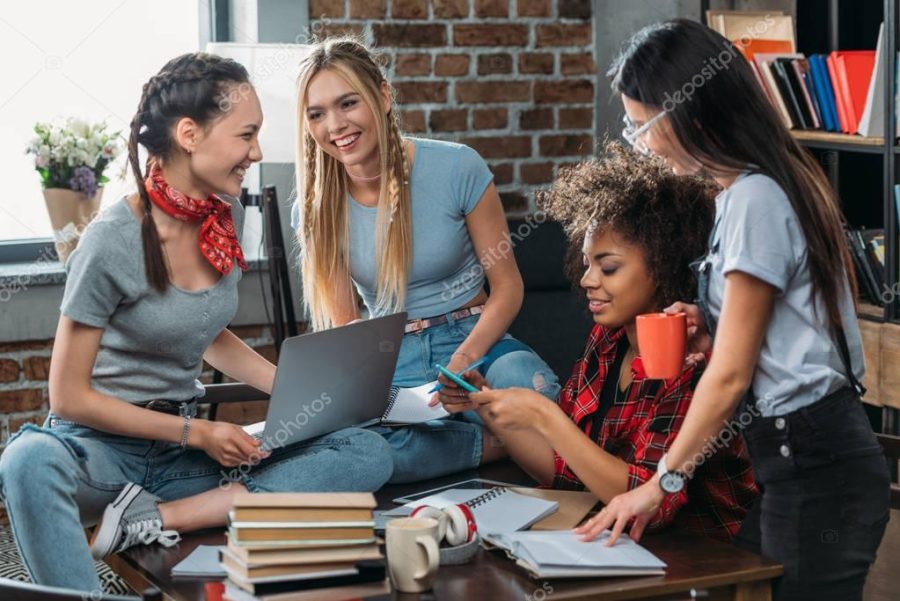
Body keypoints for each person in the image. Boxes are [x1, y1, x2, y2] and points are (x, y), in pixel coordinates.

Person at [0, 53, 392, 592]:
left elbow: (204, 329)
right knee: (25, 459)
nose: (256, 152)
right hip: (102, 452)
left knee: (364, 448)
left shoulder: (218, 216)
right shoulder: (111, 240)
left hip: (181, 462)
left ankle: (181, 512)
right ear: (189, 133)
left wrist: (299, 391)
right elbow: (67, 397)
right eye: (246, 136)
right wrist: (199, 431)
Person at [574, 19, 890, 601]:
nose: (640, 143)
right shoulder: (759, 187)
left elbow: (732, 376)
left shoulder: (753, 198)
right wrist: (709, 329)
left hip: (817, 460)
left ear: (691, 114)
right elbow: (780, 339)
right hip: (797, 454)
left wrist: (661, 483)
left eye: (643, 125)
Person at [290, 37, 560, 483]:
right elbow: (346, 325)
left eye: (348, 103)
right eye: (316, 113)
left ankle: (477, 431)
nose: (335, 125)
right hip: (390, 353)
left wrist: (463, 360)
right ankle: (491, 444)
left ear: (383, 94)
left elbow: (508, 286)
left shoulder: (457, 167)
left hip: (477, 340)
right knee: (358, 451)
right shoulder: (315, 207)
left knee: (523, 382)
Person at [461, 142, 757, 542]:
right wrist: (490, 407)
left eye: (609, 267)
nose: (587, 281)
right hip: (617, 542)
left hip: (701, 557)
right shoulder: (607, 339)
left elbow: (649, 500)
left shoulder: (691, 359)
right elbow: (570, 470)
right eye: (586, 264)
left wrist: (546, 418)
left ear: (666, 263)